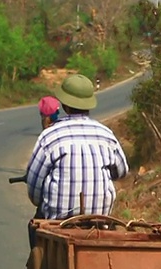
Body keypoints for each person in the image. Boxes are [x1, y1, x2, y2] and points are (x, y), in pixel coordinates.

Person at [25, 74, 130, 248]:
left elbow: (34, 191)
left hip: (58, 224)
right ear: (89, 105)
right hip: (100, 221)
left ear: (64, 105)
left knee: (33, 228)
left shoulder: (50, 136)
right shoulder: (105, 134)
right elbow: (122, 171)